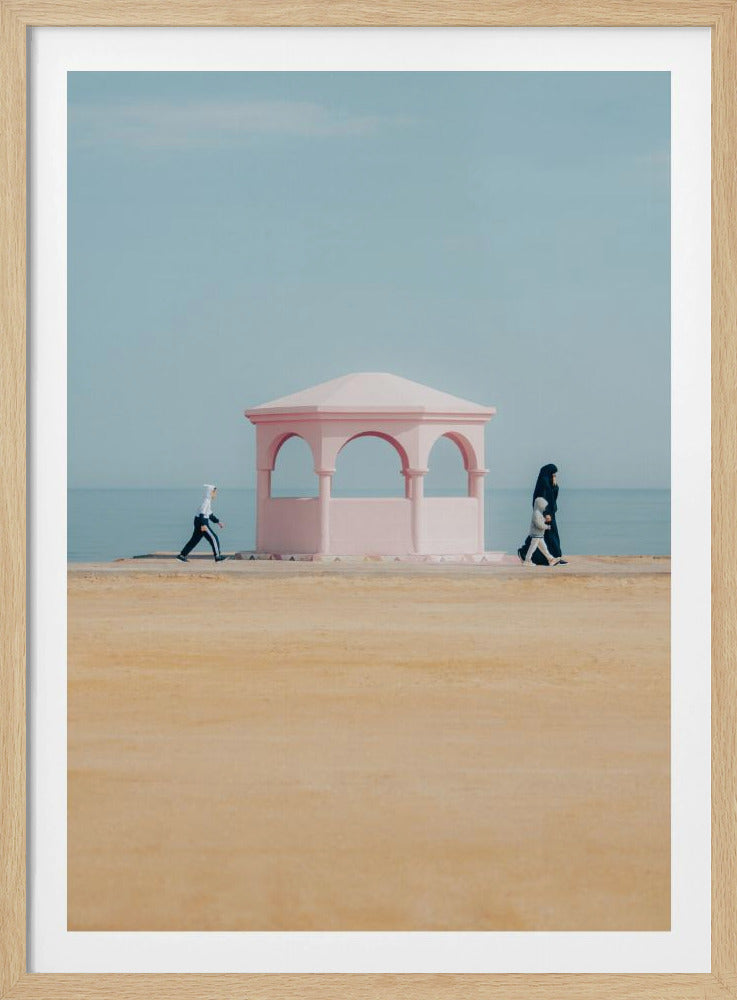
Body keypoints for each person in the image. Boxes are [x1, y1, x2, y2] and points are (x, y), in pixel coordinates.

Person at [517, 463, 568, 565]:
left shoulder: (548, 482)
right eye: (553, 473)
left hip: (550, 513)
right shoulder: (543, 482)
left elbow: (552, 497)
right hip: (545, 514)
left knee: (545, 537)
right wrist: (545, 513)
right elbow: (540, 500)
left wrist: (555, 486)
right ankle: (526, 553)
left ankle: (553, 557)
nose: (554, 475)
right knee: (542, 536)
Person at [177, 484, 228, 562]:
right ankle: (218, 557)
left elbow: (210, 515)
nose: (215, 494)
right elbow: (202, 514)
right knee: (214, 538)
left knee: (194, 540)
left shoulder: (207, 501)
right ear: (210, 492)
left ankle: (182, 555)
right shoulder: (206, 501)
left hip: (199, 521)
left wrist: (218, 522)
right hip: (202, 522)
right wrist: (203, 525)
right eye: (214, 492)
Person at [523, 497, 561, 566]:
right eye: (543, 506)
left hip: (539, 534)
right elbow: (538, 524)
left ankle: (551, 559)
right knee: (532, 548)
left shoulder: (538, 513)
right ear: (540, 505)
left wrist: (545, 520)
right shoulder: (536, 513)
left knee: (543, 548)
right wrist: (547, 527)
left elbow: (540, 521)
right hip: (536, 534)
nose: (544, 508)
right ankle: (527, 560)